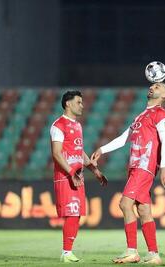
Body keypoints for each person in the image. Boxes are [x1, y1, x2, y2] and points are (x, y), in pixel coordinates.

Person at [90, 82, 165, 265]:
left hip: (145, 165)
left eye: (158, 87)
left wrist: (164, 166)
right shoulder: (140, 116)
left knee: (124, 204)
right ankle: (154, 255)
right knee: (143, 210)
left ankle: (131, 251)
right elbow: (124, 138)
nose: (153, 87)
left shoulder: (161, 114)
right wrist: (102, 150)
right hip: (135, 166)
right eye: (152, 85)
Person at [50, 90, 108, 263]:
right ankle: (66, 253)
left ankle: (68, 252)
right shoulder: (58, 125)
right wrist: (71, 172)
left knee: (77, 214)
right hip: (66, 176)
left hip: (77, 176)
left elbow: (79, 152)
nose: (82, 105)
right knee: (72, 214)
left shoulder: (77, 125)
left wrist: (94, 170)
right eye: (79, 102)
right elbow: (56, 154)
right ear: (68, 103)